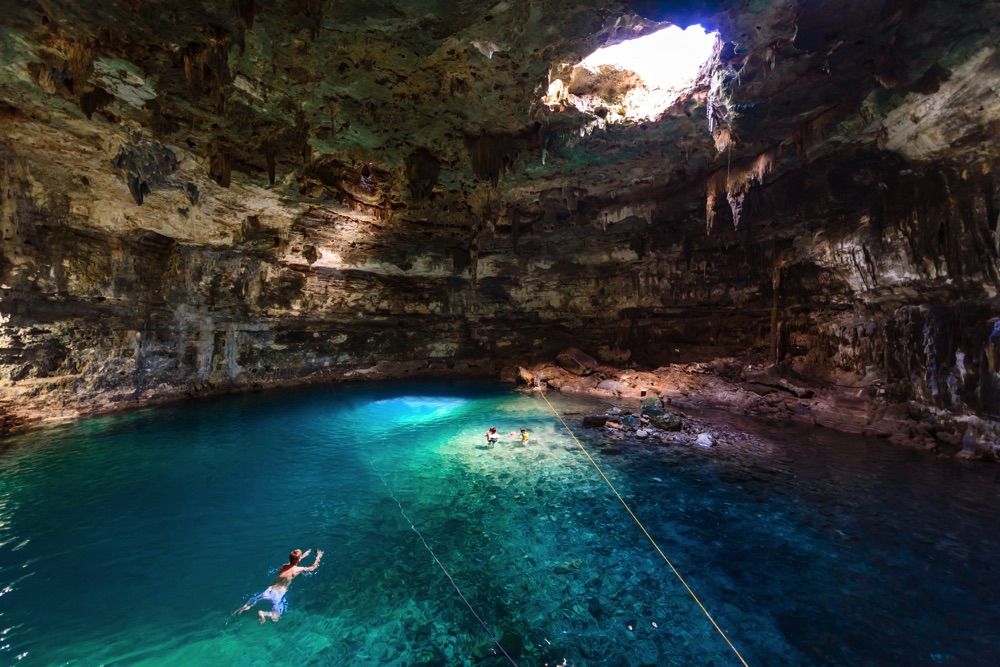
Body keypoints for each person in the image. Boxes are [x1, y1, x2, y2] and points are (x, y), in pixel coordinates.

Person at [233, 548, 323, 624]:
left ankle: (238, 611)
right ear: (298, 560)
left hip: (268, 591)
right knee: (275, 618)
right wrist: (318, 556)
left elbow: (292, 563)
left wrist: (302, 556)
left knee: (252, 602)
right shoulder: (298, 570)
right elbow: (313, 567)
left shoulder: (283, 566)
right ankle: (263, 613)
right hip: (278, 594)